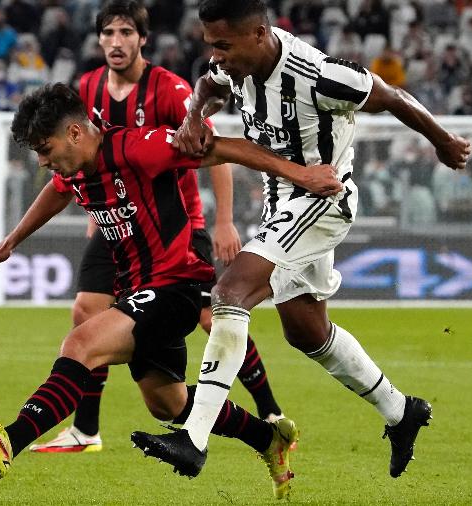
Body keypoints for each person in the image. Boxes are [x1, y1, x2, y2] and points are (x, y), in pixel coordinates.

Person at [130, 0, 471, 480]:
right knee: (306, 330)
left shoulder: (321, 75)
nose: (216, 55)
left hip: (325, 198)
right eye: (211, 44)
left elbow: (392, 96)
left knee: (230, 292)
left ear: (259, 33)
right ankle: (401, 411)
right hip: (282, 203)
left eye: (224, 45)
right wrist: (191, 119)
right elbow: (208, 83)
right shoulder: (234, 64)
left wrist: (442, 140)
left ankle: (194, 438)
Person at [0, 83, 341, 498]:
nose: (43, 161)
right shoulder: (75, 170)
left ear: (73, 133)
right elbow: (56, 192)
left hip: (176, 286)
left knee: (82, 343)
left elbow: (221, 148)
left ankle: (10, 440)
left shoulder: (139, 148)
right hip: (138, 291)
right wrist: (11, 242)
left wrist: (300, 174)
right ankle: (270, 440)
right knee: (169, 405)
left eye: (45, 150)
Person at [27, 0, 286, 456]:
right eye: (107, 33)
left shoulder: (167, 89)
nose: (115, 42)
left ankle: (269, 411)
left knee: (212, 316)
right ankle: (85, 429)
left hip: (175, 225)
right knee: (86, 311)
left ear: (142, 39)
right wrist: (98, 210)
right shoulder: (86, 88)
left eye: (125, 32)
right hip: (116, 225)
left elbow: (210, 149)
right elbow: (78, 163)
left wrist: (223, 219)